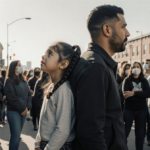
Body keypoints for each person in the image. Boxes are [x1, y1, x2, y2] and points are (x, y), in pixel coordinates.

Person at [69, 5, 130, 150]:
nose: (127, 33)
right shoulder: (95, 67)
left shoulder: (99, 63)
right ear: (107, 30)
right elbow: (90, 133)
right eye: (123, 27)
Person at [35, 42, 80, 150]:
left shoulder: (64, 90)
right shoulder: (51, 86)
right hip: (47, 144)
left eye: (50, 53)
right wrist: (37, 142)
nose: (43, 56)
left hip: (58, 146)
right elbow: (43, 120)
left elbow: (63, 130)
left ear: (63, 64)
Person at [4, 60, 32, 150]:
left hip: (23, 110)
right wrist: (23, 108)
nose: (21, 66)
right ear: (14, 68)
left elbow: (29, 94)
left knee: (18, 135)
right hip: (14, 111)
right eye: (19, 65)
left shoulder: (23, 80)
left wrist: (28, 106)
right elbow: (11, 97)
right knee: (15, 137)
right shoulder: (9, 80)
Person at [123, 61, 150, 150]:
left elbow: (148, 94)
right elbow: (126, 95)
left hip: (141, 110)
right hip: (129, 110)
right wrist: (140, 95)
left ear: (140, 69)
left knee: (140, 134)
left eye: (138, 67)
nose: (136, 68)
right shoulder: (127, 80)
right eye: (134, 67)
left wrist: (134, 94)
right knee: (125, 132)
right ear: (131, 69)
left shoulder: (144, 80)